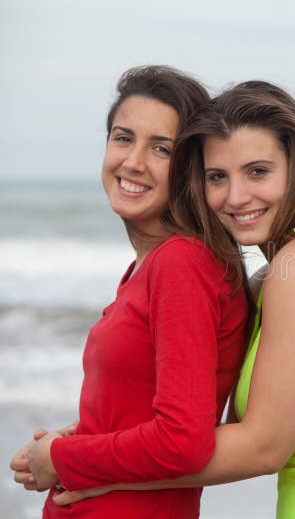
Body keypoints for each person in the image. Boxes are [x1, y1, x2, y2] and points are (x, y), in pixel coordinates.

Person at [45, 81, 295, 519]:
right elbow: (219, 436)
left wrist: (82, 464)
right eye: (217, 177)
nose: (235, 197)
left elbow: (261, 447)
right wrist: (92, 444)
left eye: (258, 172)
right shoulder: (279, 272)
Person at [9, 65, 249, 518]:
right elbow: (139, 411)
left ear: (191, 167)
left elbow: (183, 442)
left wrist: (60, 459)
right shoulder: (150, 266)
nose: (133, 162)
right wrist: (69, 441)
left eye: (161, 148)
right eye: (123, 138)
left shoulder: (183, 263)